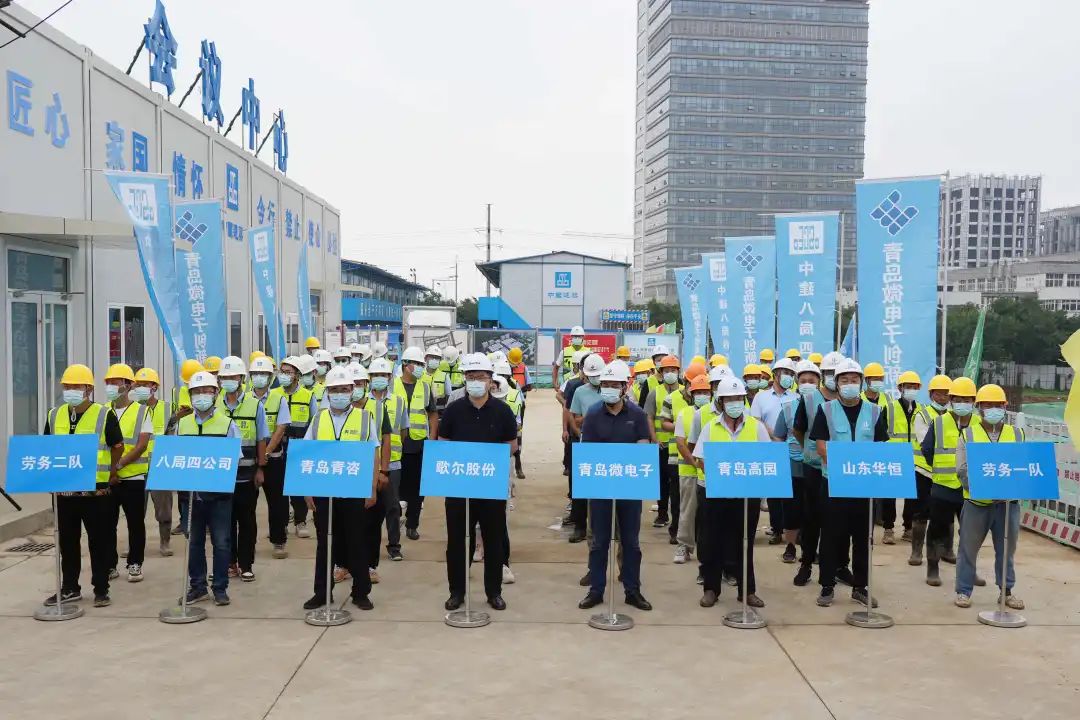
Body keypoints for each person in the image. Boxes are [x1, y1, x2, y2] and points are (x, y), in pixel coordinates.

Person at [438, 354, 518, 611]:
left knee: (493, 540)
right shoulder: (454, 410)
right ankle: (456, 592)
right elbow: (444, 443)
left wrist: (488, 460)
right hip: (459, 486)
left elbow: (512, 445)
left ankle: (494, 592)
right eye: (470, 378)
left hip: (490, 486)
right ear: (465, 380)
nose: (475, 382)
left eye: (480, 377)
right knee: (459, 541)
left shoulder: (503, 411)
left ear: (490, 380)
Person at [301, 367, 383, 611]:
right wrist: (307, 490)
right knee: (325, 543)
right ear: (327, 392)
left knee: (357, 541)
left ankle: (361, 592)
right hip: (324, 491)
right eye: (335, 390)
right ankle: (322, 592)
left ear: (353, 391)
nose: (340, 394)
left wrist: (372, 488)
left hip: (354, 490)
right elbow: (306, 454)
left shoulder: (364, 418)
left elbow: (374, 452)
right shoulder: (318, 419)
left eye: (345, 389)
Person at [43, 364, 124, 608]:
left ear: (88, 388)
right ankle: (70, 588)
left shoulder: (103, 414)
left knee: (98, 541)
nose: (70, 391)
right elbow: (46, 448)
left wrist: (111, 472)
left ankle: (101, 588)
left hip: (96, 490)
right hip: (66, 490)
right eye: (67, 387)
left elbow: (117, 446)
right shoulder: (54, 414)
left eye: (76, 386)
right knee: (67, 542)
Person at [811, 359, 890, 608]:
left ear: (862, 383)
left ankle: (860, 587)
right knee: (832, 535)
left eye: (854, 380)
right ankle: (827, 586)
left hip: (864, 485)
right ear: (836, 382)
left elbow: (880, 447)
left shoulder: (875, 412)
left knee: (863, 537)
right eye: (844, 380)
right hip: (834, 482)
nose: (849, 384)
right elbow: (820, 447)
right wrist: (846, 464)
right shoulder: (825, 411)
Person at [577, 362, 654, 612]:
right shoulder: (592, 414)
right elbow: (586, 453)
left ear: (624, 386)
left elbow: (643, 450)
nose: (609, 388)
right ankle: (596, 590)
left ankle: (633, 590)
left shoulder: (637, 416)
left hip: (629, 488)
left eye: (614, 385)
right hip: (600, 487)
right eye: (605, 384)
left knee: (631, 542)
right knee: (599, 542)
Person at [693, 376, 772, 608]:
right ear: (721, 401)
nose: (735, 403)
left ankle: (747, 591)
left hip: (746, 495)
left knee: (744, 541)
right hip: (715, 493)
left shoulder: (756, 428)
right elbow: (700, 460)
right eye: (730, 399)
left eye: (739, 398)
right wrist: (721, 474)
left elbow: (767, 458)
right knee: (712, 541)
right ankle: (711, 589)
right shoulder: (711, 427)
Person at [954, 384, 1025, 609]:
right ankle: (963, 591)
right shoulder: (968, 434)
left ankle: (1007, 591)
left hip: (1007, 505)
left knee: (1006, 550)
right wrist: (983, 488)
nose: (993, 409)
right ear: (979, 408)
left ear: (1005, 407)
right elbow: (962, 469)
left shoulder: (1016, 433)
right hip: (977, 503)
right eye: (988, 405)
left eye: (998, 405)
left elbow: (1022, 465)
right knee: (968, 548)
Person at [177, 371, 241, 606]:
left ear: (215, 393)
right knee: (193, 543)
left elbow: (234, 459)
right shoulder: (182, 424)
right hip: (190, 496)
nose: (201, 396)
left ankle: (220, 587)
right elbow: (174, 458)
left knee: (222, 542)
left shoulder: (228, 424)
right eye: (196, 392)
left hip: (219, 496)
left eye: (206, 391)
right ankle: (198, 587)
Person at [922, 376, 981, 587]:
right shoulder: (938, 422)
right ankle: (932, 568)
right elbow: (927, 449)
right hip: (943, 487)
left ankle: (969, 572)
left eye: (968, 399)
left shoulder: (979, 423)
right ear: (951, 399)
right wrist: (940, 469)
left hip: (971, 489)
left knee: (971, 533)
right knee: (937, 529)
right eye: (959, 398)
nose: (963, 403)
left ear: (974, 401)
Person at [792, 351, 843, 588]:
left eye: (837, 374)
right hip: (814, 468)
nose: (834, 378)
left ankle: (841, 565)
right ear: (823, 376)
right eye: (829, 373)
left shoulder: (851, 400)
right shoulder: (810, 399)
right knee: (811, 518)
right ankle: (806, 563)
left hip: (843, 469)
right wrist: (811, 452)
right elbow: (798, 429)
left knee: (841, 521)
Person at [216, 356, 269, 583]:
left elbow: (260, 439)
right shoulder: (214, 404)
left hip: (247, 476)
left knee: (247, 522)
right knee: (224, 523)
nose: (228, 381)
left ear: (241, 379)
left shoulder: (254, 405)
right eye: (224, 377)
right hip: (220, 476)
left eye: (233, 377)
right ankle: (230, 562)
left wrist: (260, 468)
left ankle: (246, 564)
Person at [104, 363, 154, 583]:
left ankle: (135, 563)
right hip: (108, 479)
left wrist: (118, 465)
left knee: (135, 523)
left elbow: (141, 445)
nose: (111, 386)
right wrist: (110, 471)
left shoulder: (142, 411)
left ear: (127, 385)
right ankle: (109, 564)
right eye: (108, 382)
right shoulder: (103, 410)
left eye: (115, 382)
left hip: (133, 478)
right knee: (106, 524)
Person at [266, 356, 318, 539]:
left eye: (288, 372)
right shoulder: (274, 394)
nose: (284, 375)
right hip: (279, 446)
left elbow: (314, 422)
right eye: (282, 372)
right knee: (279, 487)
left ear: (297, 375)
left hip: (299, 445)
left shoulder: (308, 395)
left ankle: (300, 520)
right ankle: (281, 524)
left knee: (298, 486)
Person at [752, 358, 797, 562]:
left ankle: (792, 532)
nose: (787, 376)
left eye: (790, 373)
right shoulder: (761, 398)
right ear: (775, 374)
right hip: (769, 449)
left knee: (789, 495)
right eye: (784, 372)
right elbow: (755, 421)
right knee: (773, 495)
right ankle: (777, 529)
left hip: (791, 451)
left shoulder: (796, 397)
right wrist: (773, 433)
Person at [658, 360, 706, 551]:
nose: (701, 395)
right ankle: (680, 538)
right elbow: (664, 423)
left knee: (702, 508)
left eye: (705, 391)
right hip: (678, 459)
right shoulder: (674, 401)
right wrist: (682, 432)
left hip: (703, 466)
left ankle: (700, 542)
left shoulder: (710, 411)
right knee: (679, 501)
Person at [771, 360, 815, 566]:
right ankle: (790, 546)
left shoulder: (825, 407)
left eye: (812, 380)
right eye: (803, 380)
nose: (808, 384)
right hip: (791, 465)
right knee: (791, 509)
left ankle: (810, 548)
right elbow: (779, 436)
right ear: (797, 383)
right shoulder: (788, 408)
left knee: (812, 509)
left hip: (816, 466)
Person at [249, 356, 292, 559]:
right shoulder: (245, 400)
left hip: (273, 458)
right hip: (249, 460)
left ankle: (278, 541)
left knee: (277, 503)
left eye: (263, 374)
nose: (259, 378)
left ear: (270, 376)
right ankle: (248, 544)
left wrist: (265, 452)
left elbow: (281, 427)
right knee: (247, 505)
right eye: (256, 374)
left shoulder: (278, 398)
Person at [908, 374, 950, 566]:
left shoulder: (954, 417)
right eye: (939, 394)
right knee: (921, 512)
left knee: (946, 513)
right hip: (924, 471)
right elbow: (928, 444)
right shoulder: (922, 415)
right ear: (931, 394)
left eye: (946, 394)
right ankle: (916, 551)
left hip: (948, 474)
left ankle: (947, 549)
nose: (942, 398)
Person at [396, 346, 438, 539]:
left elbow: (432, 414)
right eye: (418, 364)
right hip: (397, 446)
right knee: (397, 487)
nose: (421, 367)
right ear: (406, 365)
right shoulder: (392, 386)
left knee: (418, 488)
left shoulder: (425, 386)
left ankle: (412, 524)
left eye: (422, 364)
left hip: (420, 444)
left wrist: (432, 439)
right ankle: (395, 519)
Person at [367, 357, 405, 561]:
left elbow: (403, 431)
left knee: (392, 506)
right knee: (370, 507)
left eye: (383, 375)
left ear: (390, 377)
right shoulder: (363, 402)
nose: (379, 379)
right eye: (375, 375)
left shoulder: (399, 401)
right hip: (368, 463)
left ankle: (394, 546)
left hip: (392, 463)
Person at [133, 367, 173, 557]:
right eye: (138, 384)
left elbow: (173, 436)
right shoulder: (132, 409)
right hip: (136, 465)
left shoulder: (167, 408)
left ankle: (165, 541)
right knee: (135, 510)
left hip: (160, 465)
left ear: (154, 387)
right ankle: (135, 545)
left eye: (145, 384)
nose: (140, 388)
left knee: (163, 509)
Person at [672, 374, 712, 564]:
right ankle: (684, 545)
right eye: (699, 392)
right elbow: (681, 443)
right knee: (687, 511)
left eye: (706, 392)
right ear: (691, 394)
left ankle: (708, 551)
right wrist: (695, 463)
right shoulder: (684, 413)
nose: (703, 395)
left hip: (711, 474)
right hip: (689, 470)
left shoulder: (716, 415)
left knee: (708, 515)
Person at [880, 369, 922, 548]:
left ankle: (908, 528)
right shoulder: (889, 408)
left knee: (912, 496)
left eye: (915, 387)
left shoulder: (922, 410)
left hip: (914, 460)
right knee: (888, 496)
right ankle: (888, 529)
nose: (911, 389)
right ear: (900, 388)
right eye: (908, 386)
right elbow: (880, 434)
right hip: (893, 458)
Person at [568, 354, 606, 542]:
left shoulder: (613, 390)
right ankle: (579, 526)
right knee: (581, 489)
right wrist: (586, 422)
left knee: (602, 489)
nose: (596, 378)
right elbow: (574, 418)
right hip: (586, 443)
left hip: (608, 445)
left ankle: (601, 527)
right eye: (592, 375)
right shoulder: (580, 392)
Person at [644, 354, 682, 528]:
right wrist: (654, 437)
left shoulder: (684, 392)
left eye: (673, 370)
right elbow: (649, 417)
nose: (670, 373)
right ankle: (662, 514)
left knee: (676, 483)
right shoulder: (655, 393)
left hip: (679, 445)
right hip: (661, 444)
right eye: (667, 370)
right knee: (661, 481)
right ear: (661, 372)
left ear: (678, 372)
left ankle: (676, 517)